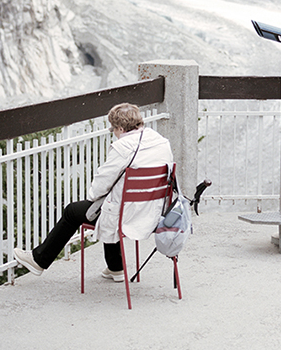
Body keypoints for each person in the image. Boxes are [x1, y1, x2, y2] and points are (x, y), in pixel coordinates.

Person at [13, 103, 174, 281]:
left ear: (120, 128)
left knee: (74, 211)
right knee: (109, 205)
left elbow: (99, 187)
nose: (113, 132)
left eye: (113, 129)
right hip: (154, 212)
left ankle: (38, 260)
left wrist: (92, 196)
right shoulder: (161, 141)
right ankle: (115, 266)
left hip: (127, 215)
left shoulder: (122, 148)